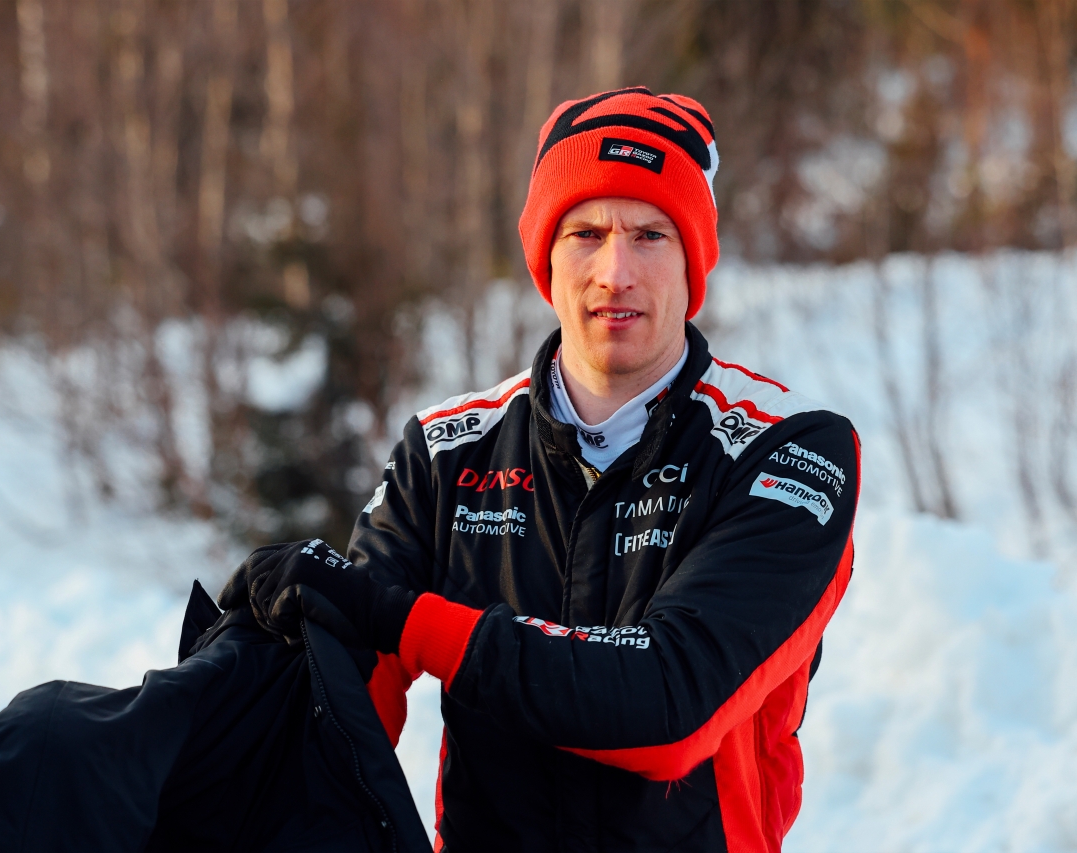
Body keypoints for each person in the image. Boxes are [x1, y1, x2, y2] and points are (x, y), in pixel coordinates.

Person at [241, 87, 860, 852]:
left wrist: (404, 619)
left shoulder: (791, 448)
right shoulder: (446, 451)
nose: (615, 272)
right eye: (586, 233)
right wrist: (239, 673)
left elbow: (671, 705)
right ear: (546, 256)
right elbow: (341, 701)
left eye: (650, 235)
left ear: (693, 258)